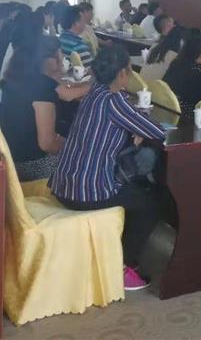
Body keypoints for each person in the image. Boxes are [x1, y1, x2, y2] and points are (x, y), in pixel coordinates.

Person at [50, 44, 166, 291]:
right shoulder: (115, 101)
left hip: (64, 184)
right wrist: (139, 130)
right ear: (123, 73)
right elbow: (157, 131)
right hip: (87, 192)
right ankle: (123, 266)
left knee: (136, 189)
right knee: (152, 203)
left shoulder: (94, 92)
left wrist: (135, 129)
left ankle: (118, 253)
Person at [0, 35, 89, 181]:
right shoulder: (42, 87)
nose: (62, 60)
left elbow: (63, 90)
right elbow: (47, 144)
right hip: (30, 165)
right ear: (49, 60)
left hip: (10, 157)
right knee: (86, 157)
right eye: (59, 55)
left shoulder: (16, 78)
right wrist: (73, 148)